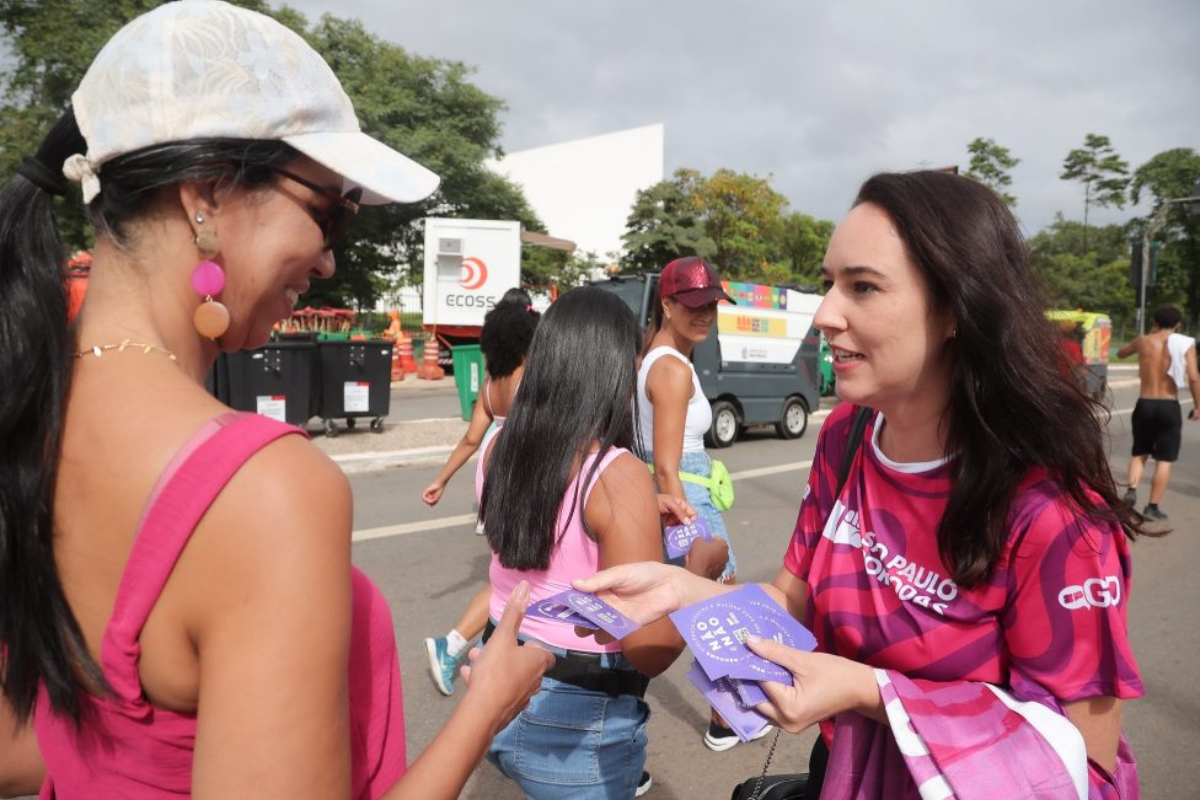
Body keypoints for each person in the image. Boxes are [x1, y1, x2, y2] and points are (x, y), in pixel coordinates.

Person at [0, 3, 551, 798]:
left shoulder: (29, 413)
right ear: (207, 194)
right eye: (331, 211)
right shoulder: (260, 491)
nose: (329, 260)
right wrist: (486, 707)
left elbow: (42, 744)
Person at [577, 171, 1151, 799]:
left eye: (864, 287)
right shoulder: (846, 436)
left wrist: (868, 692)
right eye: (829, 284)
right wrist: (684, 592)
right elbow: (790, 603)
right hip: (843, 771)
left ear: (956, 307)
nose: (825, 314)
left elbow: (1082, 757)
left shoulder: (1051, 514)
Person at [478, 286, 688, 800]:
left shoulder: (499, 446)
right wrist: (698, 573)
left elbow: (551, 527)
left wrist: (634, 519)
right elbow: (650, 652)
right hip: (579, 721)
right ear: (617, 369)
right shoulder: (617, 473)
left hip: (496, 691)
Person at [636, 255, 757, 752]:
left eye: (711, 303)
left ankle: (717, 715)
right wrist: (689, 534)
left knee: (684, 611)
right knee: (718, 608)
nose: (705, 313)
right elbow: (665, 466)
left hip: (681, 493)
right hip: (687, 499)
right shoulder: (671, 369)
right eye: (693, 304)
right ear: (667, 303)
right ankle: (725, 719)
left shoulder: (660, 356)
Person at [422, 293, 541, 696]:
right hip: (520, 471)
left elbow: (473, 437)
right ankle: (460, 647)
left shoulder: (492, 384)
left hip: (489, 472)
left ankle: (463, 647)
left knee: (511, 573)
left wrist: (442, 478)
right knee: (522, 576)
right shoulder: (532, 376)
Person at [1118, 306, 1200, 520]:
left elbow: (1121, 353)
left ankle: (1131, 491)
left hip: (1145, 402)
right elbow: (1193, 377)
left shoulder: (1144, 341)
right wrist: (1198, 405)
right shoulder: (1185, 344)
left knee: (1139, 453)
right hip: (1168, 404)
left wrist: (1145, 340)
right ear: (1178, 325)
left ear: (1154, 322)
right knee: (1164, 459)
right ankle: (1152, 507)